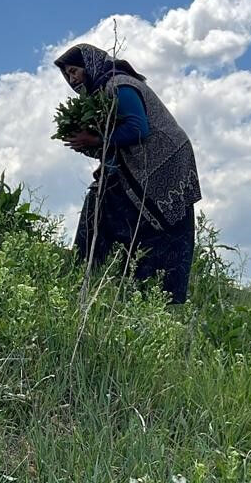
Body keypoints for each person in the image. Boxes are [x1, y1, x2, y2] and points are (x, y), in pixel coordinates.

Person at [54, 43, 202, 304]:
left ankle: (92, 279)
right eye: (67, 75)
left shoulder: (118, 85)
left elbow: (137, 129)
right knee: (104, 205)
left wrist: (95, 138)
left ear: (90, 65)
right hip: (143, 166)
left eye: (74, 70)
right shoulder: (100, 94)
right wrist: (104, 160)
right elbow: (119, 143)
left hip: (164, 163)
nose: (72, 78)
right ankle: (92, 280)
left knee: (151, 230)